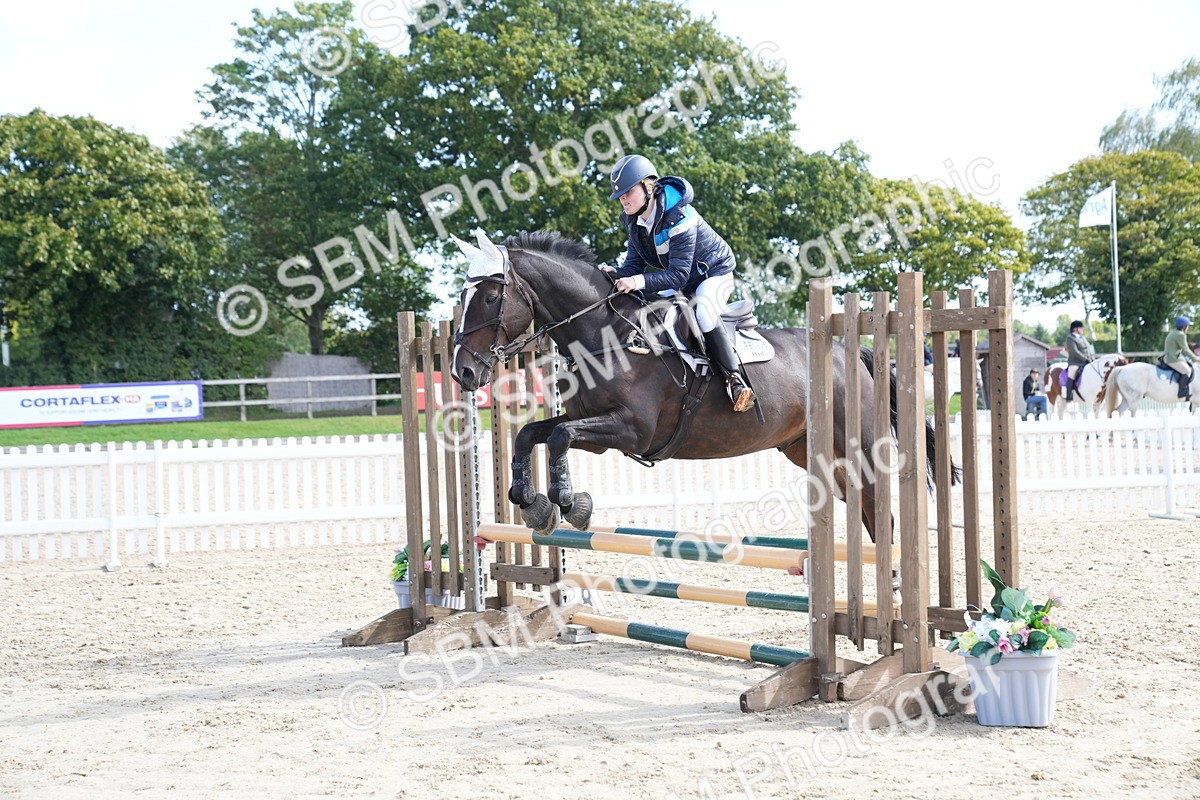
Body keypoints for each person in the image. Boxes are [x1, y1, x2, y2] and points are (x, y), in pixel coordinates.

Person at [601, 153, 754, 412]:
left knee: (704, 313)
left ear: (648, 187)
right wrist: (612, 273)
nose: (623, 199)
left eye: (628, 192)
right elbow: (633, 267)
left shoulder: (679, 216)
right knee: (655, 313)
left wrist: (635, 281)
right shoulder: (636, 222)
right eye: (620, 196)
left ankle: (734, 380)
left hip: (713, 273)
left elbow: (678, 275)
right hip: (683, 279)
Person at [1161, 316, 1195, 400]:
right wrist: (1196, 359)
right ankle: (1181, 392)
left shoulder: (1173, 332)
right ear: (1184, 327)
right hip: (1173, 358)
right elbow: (1186, 350)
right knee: (1187, 371)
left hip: (1168, 356)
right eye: (1188, 326)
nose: (1188, 328)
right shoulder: (1181, 335)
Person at [1064, 320, 1096, 401]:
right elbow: (1075, 352)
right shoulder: (1070, 338)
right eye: (1081, 328)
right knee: (1072, 374)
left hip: (1087, 361)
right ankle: (1069, 395)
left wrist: (1093, 359)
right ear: (1075, 329)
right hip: (1075, 362)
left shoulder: (1083, 338)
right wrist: (1085, 359)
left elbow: (1088, 350)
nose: (1082, 329)